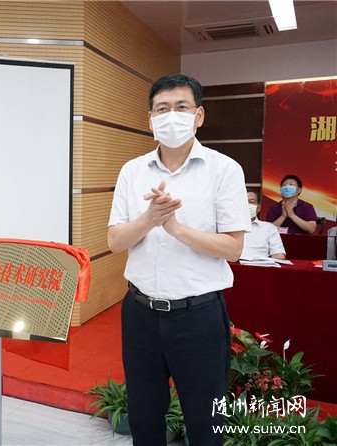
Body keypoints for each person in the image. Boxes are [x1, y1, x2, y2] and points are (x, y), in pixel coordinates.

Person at [107, 74, 250, 446]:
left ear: (198, 115)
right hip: (139, 313)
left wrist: (173, 227)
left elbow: (233, 248)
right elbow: (115, 241)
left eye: (181, 107)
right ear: (150, 119)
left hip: (199, 317)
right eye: (162, 109)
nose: (171, 115)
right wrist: (148, 219)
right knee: (144, 417)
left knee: (206, 422)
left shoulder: (224, 169)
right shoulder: (132, 171)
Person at [242, 190, 286, 259]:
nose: (247, 205)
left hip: (260, 264)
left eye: (252, 202)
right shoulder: (226, 226)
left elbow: (278, 255)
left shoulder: (269, 228)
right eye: (243, 202)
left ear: (258, 208)